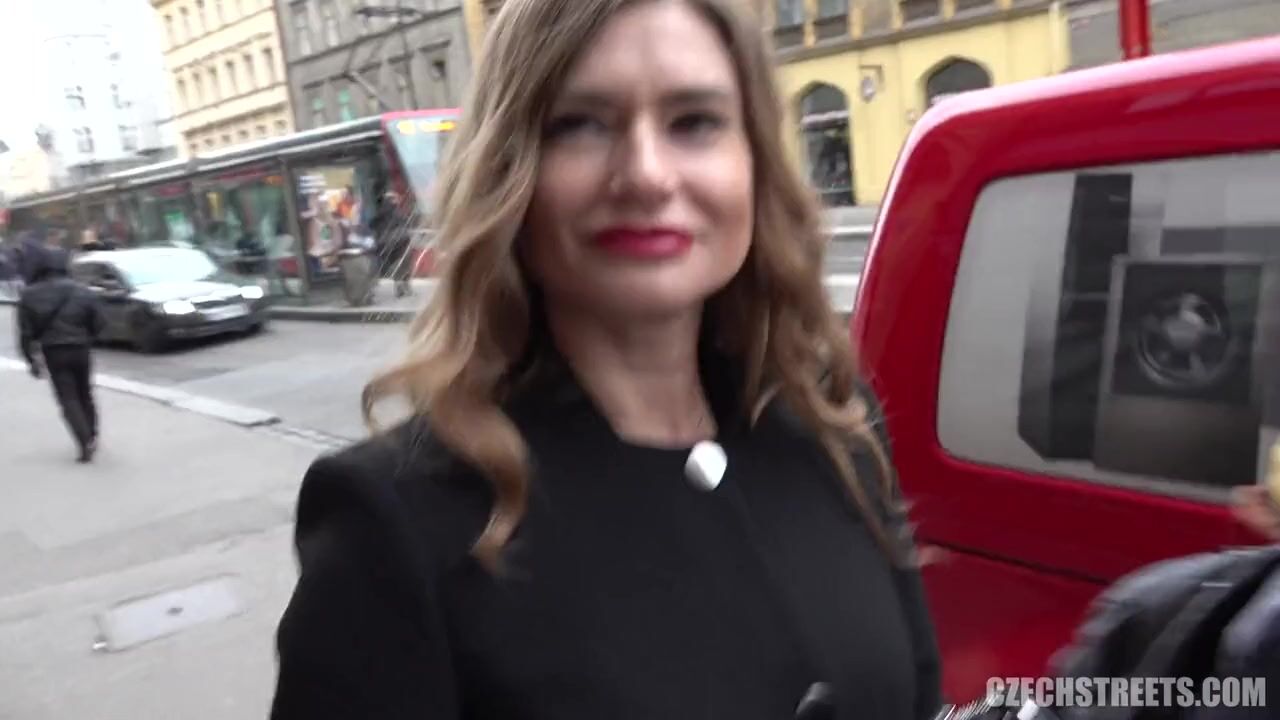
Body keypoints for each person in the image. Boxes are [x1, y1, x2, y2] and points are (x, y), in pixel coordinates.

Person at [269, 1, 942, 719]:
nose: (646, 175)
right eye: (581, 125)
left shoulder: (836, 422)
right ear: (511, 173)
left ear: (754, 163)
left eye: (695, 122)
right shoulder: (397, 524)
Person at [17, 247, 105, 463]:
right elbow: (99, 322)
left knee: (68, 398)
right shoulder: (82, 291)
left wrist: (31, 360)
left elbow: (26, 333)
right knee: (85, 392)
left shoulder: (29, 295)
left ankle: (84, 441)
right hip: (81, 348)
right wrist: (88, 337)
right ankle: (92, 433)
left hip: (53, 351)